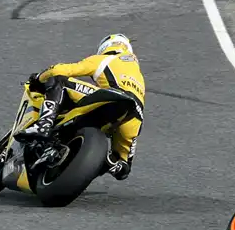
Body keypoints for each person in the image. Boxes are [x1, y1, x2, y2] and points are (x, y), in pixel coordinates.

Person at [14, 34, 145, 181]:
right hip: (135, 115)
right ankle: (106, 161)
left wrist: (39, 78)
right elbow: (124, 174)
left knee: (59, 80)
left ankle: (43, 125)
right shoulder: (138, 75)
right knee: (122, 165)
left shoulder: (107, 58)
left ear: (106, 46)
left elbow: (61, 70)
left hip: (111, 96)